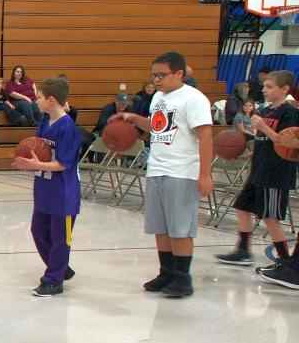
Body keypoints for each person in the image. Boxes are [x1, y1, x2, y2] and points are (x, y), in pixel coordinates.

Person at [113, 51, 213, 298]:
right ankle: (166, 272)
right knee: (161, 228)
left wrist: (205, 174)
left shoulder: (194, 99)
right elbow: (158, 127)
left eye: (161, 75)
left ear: (179, 73)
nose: (156, 80)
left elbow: (206, 136)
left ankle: (183, 278)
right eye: (154, 75)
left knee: (180, 229)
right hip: (157, 168)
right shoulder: (158, 96)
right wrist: (135, 118)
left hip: (182, 172)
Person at [216, 71, 299, 273]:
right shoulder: (267, 110)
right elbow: (262, 142)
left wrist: (263, 126)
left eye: (270, 86)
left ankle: (285, 261)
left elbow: (286, 142)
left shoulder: (289, 112)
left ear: (285, 89)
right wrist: (244, 152)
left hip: (276, 172)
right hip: (259, 168)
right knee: (242, 207)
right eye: (264, 86)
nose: (264, 89)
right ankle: (243, 250)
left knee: (270, 218)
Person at [11, 77, 80, 296]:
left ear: (51, 100)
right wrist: (30, 162)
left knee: (61, 237)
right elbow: (40, 149)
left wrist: (36, 164)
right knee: (38, 230)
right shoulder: (44, 121)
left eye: (38, 97)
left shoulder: (68, 127)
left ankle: (53, 280)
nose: (35, 100)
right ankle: (60, 267)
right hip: (43, 186)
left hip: (64, 191)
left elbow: (63, 163)